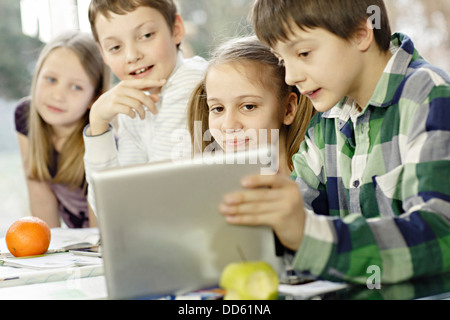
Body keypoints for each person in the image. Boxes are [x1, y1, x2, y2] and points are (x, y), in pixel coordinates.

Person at [219, 0, 450, 285]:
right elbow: (297, 212)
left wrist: (305, 232)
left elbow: (442, 233)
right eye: (282, 60)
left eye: (303, 53)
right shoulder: (326, 122)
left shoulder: (427, 95)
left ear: (361, 33)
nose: (291, 76)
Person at [84, 0, 208, 213]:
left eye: (146, 35)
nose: (132, 56)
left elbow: (157, 194)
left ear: (176, 30)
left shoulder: (192, 80)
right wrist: (98, 123)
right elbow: (110, 205)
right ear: (104, 54)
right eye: (115, 47)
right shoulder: (133, 101)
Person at [15, 31, 109, 228]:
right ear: (37, 75)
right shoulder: (26, 116)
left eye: (76, 87)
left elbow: (100, 231)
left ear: (94, 97)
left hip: (103, 235)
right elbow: (40, 196)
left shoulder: (102, 138)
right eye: (50, 79)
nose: (58, 96)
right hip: (72, 241)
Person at [187, 36, 315, 177]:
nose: (228, 125)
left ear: (288, 109)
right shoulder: (209, 185)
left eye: (248, 106)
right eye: (218, 109)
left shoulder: (318, 180)